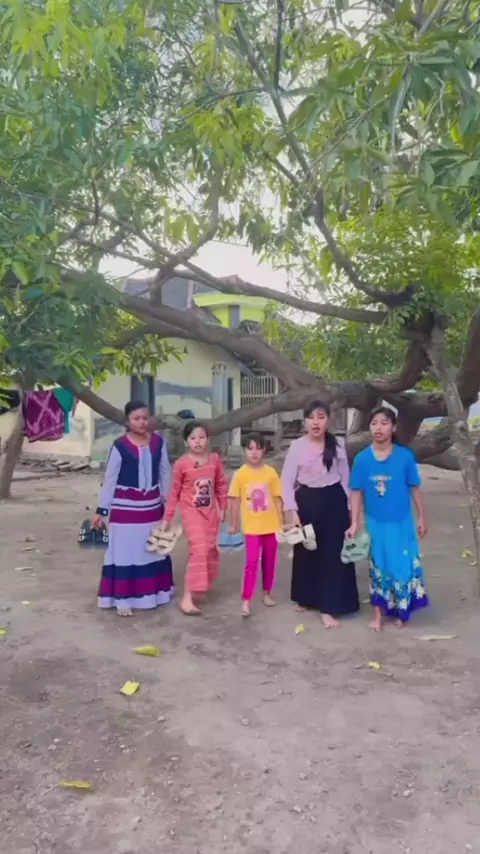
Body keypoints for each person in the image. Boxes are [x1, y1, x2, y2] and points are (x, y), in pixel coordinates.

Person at [347, 406, 428, 632]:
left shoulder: (405, 457)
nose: (378, 428)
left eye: (384, 423)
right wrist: (355, 522)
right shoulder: (362, 459)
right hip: (376, 524)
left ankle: (402, 612)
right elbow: (356, 492)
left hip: (402, 523)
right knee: (378, 567)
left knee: (401, 567)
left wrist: (422, 517)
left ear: (393, 427)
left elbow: (414, 488)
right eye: (374, 423)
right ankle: (378, 615)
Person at [92, 400, 174, 617]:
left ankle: (155, 595)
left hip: (152, 508)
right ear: (127, 421)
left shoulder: (158, 443)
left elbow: (165, 473)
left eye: (145, 418)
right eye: (136, 418)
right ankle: (123, 599)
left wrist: (169, 504)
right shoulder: (120, 446)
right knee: (125, 553)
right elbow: (110, 478)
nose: (142, 422)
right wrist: (102, 510)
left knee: (151, 551)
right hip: (124, 509)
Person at [281, 400, 359, 628]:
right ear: (305, 421)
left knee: (333, 554)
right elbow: (286, 481)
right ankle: (307, 598)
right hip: (306, 501)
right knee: (307, 551)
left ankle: (329, 607)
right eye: (311, 417)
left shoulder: (338, 445)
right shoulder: (296, 447)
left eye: (321, 417)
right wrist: (292, 511)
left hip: (334, 501)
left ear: (328, 421)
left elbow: (346, 480)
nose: (316, 422)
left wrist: (351, 514)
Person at [163, 421, 228, 615]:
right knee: (198, 551)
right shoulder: (181, 464)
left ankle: (199, 590)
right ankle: (187, 598)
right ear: (186, 442)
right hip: (191, 513)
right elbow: (174, 493)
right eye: (193, 438)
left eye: (201, 437)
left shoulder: (214, 460)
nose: (197, 442)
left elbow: (221, 485)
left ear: (208, 439)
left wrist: (223, 507)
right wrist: (167, 517)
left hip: (210, 513)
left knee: (210, 551)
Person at [229, 432, 284, 618]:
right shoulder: (240, 474)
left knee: (270, 561)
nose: (254, 452)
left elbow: (278, 499)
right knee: (251, 563)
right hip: (252, 528)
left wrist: (283, 523)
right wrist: (233, 523)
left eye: (258, 448)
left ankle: (267, 592)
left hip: (271, 526)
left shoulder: (271, 473)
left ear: (264, 450)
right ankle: (246, 599)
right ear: (244, 450)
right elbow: (235, 501)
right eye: (250, 448)